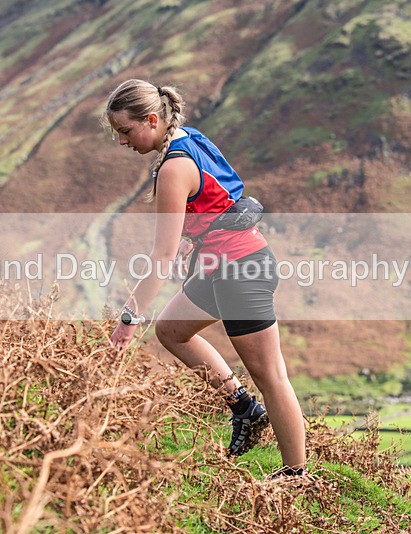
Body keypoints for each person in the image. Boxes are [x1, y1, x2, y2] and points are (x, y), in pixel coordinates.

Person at [103, 79, 306, 477]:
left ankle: (296, 475)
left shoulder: (174, 168)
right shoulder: (189, 138)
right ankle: (245, 409)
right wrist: (193, 238)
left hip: (240, 272)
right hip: (222, 266)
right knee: (172, 330)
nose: (122, 141)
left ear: (151, 119)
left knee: (271, 375)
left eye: (126, 131)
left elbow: (160, 257)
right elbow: (221, 197)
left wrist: (129, 320)